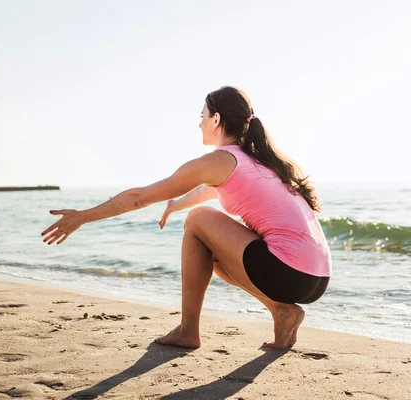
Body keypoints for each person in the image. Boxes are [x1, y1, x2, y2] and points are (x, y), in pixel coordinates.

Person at [41, 86, 331, 349]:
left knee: (198, 219)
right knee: (207, 244)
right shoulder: (255, 161)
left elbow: (139, 197)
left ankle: (189, 330)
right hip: (316, 278)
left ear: (216, 120)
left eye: (202, 115)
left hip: (289, 272)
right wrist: (174, 205)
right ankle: (281, 311)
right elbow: (206, 191)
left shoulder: (220, 160)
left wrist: (83, 217)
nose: (199, 122)